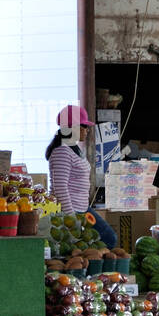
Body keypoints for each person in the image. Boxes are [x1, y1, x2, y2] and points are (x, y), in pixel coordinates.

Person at [47, 104, 117, 248]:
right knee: (107, 239)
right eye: (84, 126)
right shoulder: (62, 152)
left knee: (105, 240)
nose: (87, 130)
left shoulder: (74, 148)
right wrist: (71, 218)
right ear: (73, 128)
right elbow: (60, 187)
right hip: (72, 211)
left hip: (82, 208)